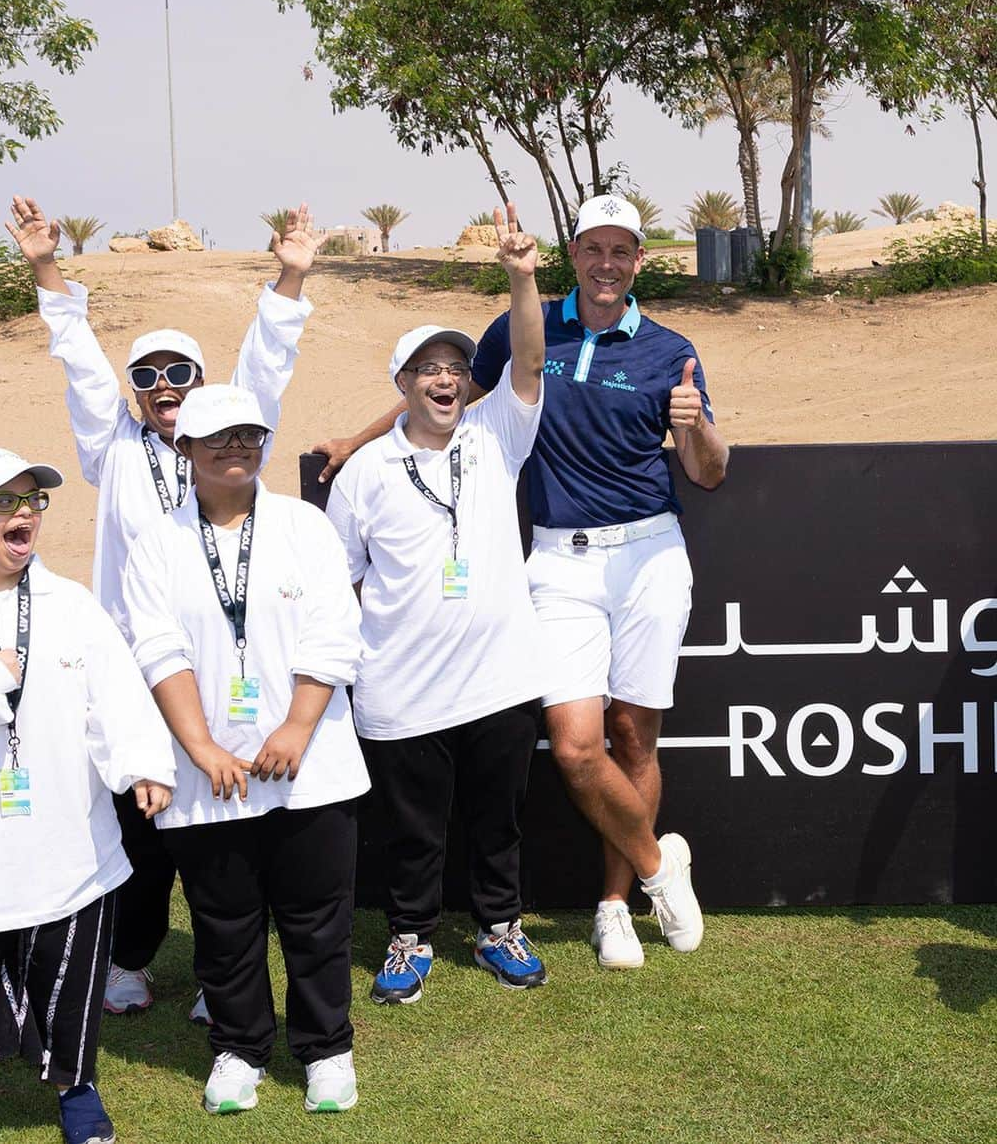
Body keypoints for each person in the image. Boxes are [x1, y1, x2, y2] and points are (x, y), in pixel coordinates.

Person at [314, 193, 728, 971]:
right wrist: (354, 440)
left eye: (622, 251)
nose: (607, 264)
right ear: (574, 254)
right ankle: (657, 865)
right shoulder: (520, 331)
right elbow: (440, 397)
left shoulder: (671, 350)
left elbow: (708, 474)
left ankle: (613, 908)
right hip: (560, 558)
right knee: (575, 749)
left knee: (634, 734)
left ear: (640, 261)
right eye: (593, 249)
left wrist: (693, 424)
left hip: (649, 552)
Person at [8, 195, 322, 1021]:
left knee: (229, 823)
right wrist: (47, 266)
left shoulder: (232, 434)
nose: (163, 387)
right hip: (130, 673)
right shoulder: (108, 447)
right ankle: (132, 959)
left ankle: (228, 974)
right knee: (141, 825)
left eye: (179, 372)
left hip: (229, 664)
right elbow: (78, 359)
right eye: (146, 376)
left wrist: (289, 273)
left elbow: (267, 364)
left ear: (202, 382)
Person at [121, 385, 368, 1117]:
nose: (237, 447)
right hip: (210, 777)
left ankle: (327, 1049)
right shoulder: (157, 542)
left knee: (317, 920)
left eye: (249, 435)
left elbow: (334, 632)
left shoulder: (302, 525)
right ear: (184, 449)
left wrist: (295, 727)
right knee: (224, 922)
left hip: (310, 768)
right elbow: (157, 648)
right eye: (218, 437)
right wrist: (197, 745)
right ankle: (239, 1048)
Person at [0, 447, 176, 1144]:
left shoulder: (73, 605)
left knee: (70, 976)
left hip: (65, 839)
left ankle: (76, 1087)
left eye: (33, 499)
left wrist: (144, 764)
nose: (25, 511)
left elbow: (116, 698)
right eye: (4, 501)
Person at [324, 203, 548, 1004]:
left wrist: (522, 278)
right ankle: (410, 939)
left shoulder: (496, 436)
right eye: (428, 368)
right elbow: (344, 577)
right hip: (402, 687)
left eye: (455, 365)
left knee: (499, 823)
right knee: (412, 834)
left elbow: (527, 360)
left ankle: (499, 930)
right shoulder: (363, 473)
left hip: (500, 680)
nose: (445, 377)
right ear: (403, 385)